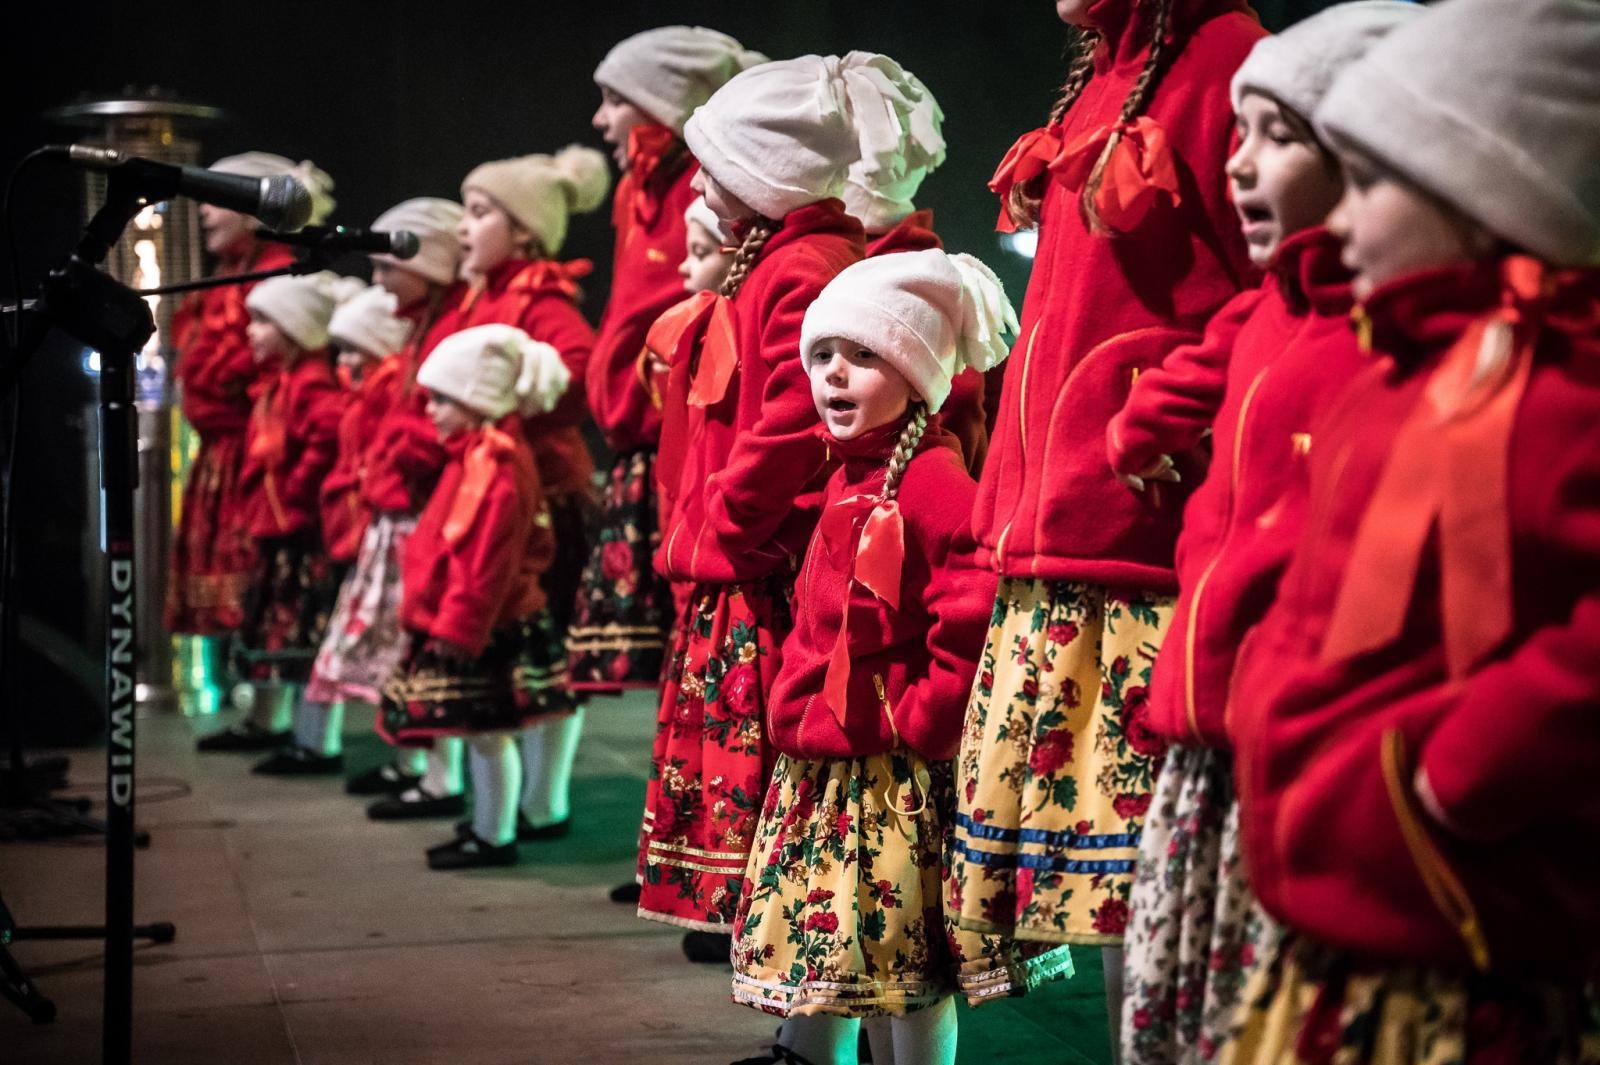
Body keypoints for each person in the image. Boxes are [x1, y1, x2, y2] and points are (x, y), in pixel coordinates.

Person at [1221, 0, 1600, 1059]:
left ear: (1487, 200)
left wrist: (1461, 770)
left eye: (1372, 182)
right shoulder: (1399, 371)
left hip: (1459, 952)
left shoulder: (1561, 393)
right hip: (1345, 931)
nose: (1339, 219)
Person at [1100, 5, 1418, 1061]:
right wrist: (1133, 430)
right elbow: (1207, 355)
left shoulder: (1377, 338)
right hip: (1209, 735)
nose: (1237, 165)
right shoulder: (1275, 305)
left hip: (1289, 743)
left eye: (1276, 138)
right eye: (1237, 134)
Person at [951, 0, 1264, 1048]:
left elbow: (1274, 284)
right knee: (1094, 837)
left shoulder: (1224, 63)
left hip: (1143, 531)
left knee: (1141, 842)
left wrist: (1158, 409)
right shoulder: (1106, 76)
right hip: (1068, 519)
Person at [730, 249, 1073, 1065]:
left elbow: (971, 606)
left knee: (907, 964)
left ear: (917, 376)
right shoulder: (851, 478)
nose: (834, 375)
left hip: (895, 773)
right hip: (839, 762)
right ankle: (816, 1053)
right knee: (853, 945)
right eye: (822, 357)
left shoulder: (932, 482)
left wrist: (920, 708)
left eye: (863, 356)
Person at [637, 53, 919, 960]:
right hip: (743, 546)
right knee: (743, 737)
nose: (700, 185)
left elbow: (789, 422)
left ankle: (767, 908)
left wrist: (724, 522)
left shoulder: (803, 265)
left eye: (716, 169)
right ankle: (750, 910)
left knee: (767, 740)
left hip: (766, 555)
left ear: (762, 175)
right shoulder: (773, 256)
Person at [571, 25, 765, 693]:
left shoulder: (701, 185)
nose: (600, 118)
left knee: (692, 644)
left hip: (676, 433)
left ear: (661, 106)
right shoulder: (637, 191)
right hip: (636, 435)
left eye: (613, 99)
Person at [446, 147, 608, 841]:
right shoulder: (481, 295)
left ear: (525, 232)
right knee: (518, 651)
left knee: (547, 650)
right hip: (497, 489)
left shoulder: (541, 300)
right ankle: (525, 801)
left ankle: (545, 798)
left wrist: (509, 406)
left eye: (479, 213)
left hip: (543, 495)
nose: (462, 227)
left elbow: (578, 376)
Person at [379, 324, 578, 869]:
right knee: (477, 732)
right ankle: (489, 823)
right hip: (481, 622)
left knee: (488, 733)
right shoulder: (475, 457)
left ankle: (494, 836)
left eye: (442, 398)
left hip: (492, 626)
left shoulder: (497, 466)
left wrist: (458, 626)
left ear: (477, 399)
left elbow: (487, 565)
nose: (432, 410)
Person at [180, 153, 334, 750]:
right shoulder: (230, 270)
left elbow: (241, 370)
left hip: (261, 460)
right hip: (231, 455)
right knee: (265, 598)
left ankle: (290, 722)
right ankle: (264, 712)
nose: (203, 211)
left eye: (217, 197)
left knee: (276, 591)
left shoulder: (274, 273)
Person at [228, 271, 350, 773]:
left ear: (294, 329)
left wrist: (297, 489)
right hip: (285, 533)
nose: (251, 332)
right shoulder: (282, 384)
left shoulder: (312, 385)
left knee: (310, 633)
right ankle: (300, 734)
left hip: (303, 535)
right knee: (291, 631)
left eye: (262, 322)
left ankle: (317, 742)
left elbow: (325, 438)